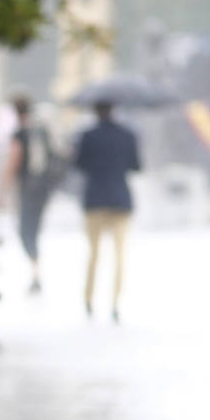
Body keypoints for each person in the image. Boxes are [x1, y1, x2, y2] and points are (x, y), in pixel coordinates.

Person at [73, 101, 141, 322]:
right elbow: (137, 166)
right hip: (120, 200)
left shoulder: (87, 136)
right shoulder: (128, 135)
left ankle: (89, 299)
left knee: (93, 254)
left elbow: (79, 165)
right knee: (119, 254)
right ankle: (115, 302)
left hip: (94, 200)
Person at [0, 93, 59, 294]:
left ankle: (35, 273)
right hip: (42, 190)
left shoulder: (20, 133)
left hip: (27, 189)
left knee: (26, 231)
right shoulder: (40, 130)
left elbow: (12, 163)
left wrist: (2, 192)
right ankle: (35, 272)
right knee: (32, 229)